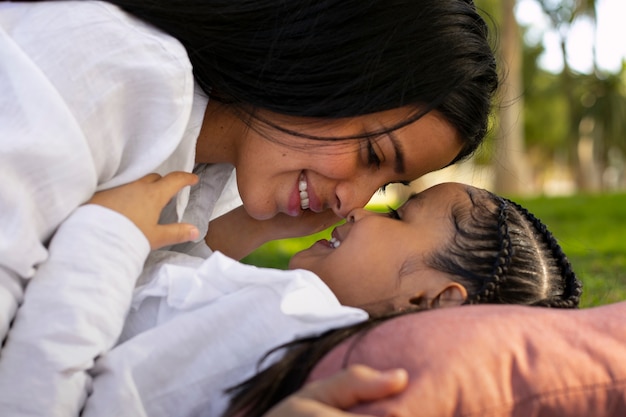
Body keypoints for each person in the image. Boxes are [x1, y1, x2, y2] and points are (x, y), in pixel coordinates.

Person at [1, 0, 498, 414]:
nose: (354, 203)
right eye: (372, 155)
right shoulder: (108, 73)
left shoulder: (210, 169)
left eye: (388, 186)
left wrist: (249, 227)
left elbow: (134, 309)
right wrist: (108, 236)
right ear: (329, 64)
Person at [18, 175, 580, 417]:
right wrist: (255, 226)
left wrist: (106, 235)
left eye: (401, 214)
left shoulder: (296, 318)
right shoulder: (300, 327)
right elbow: (167, 301)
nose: (358, 209)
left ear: (433, 300)